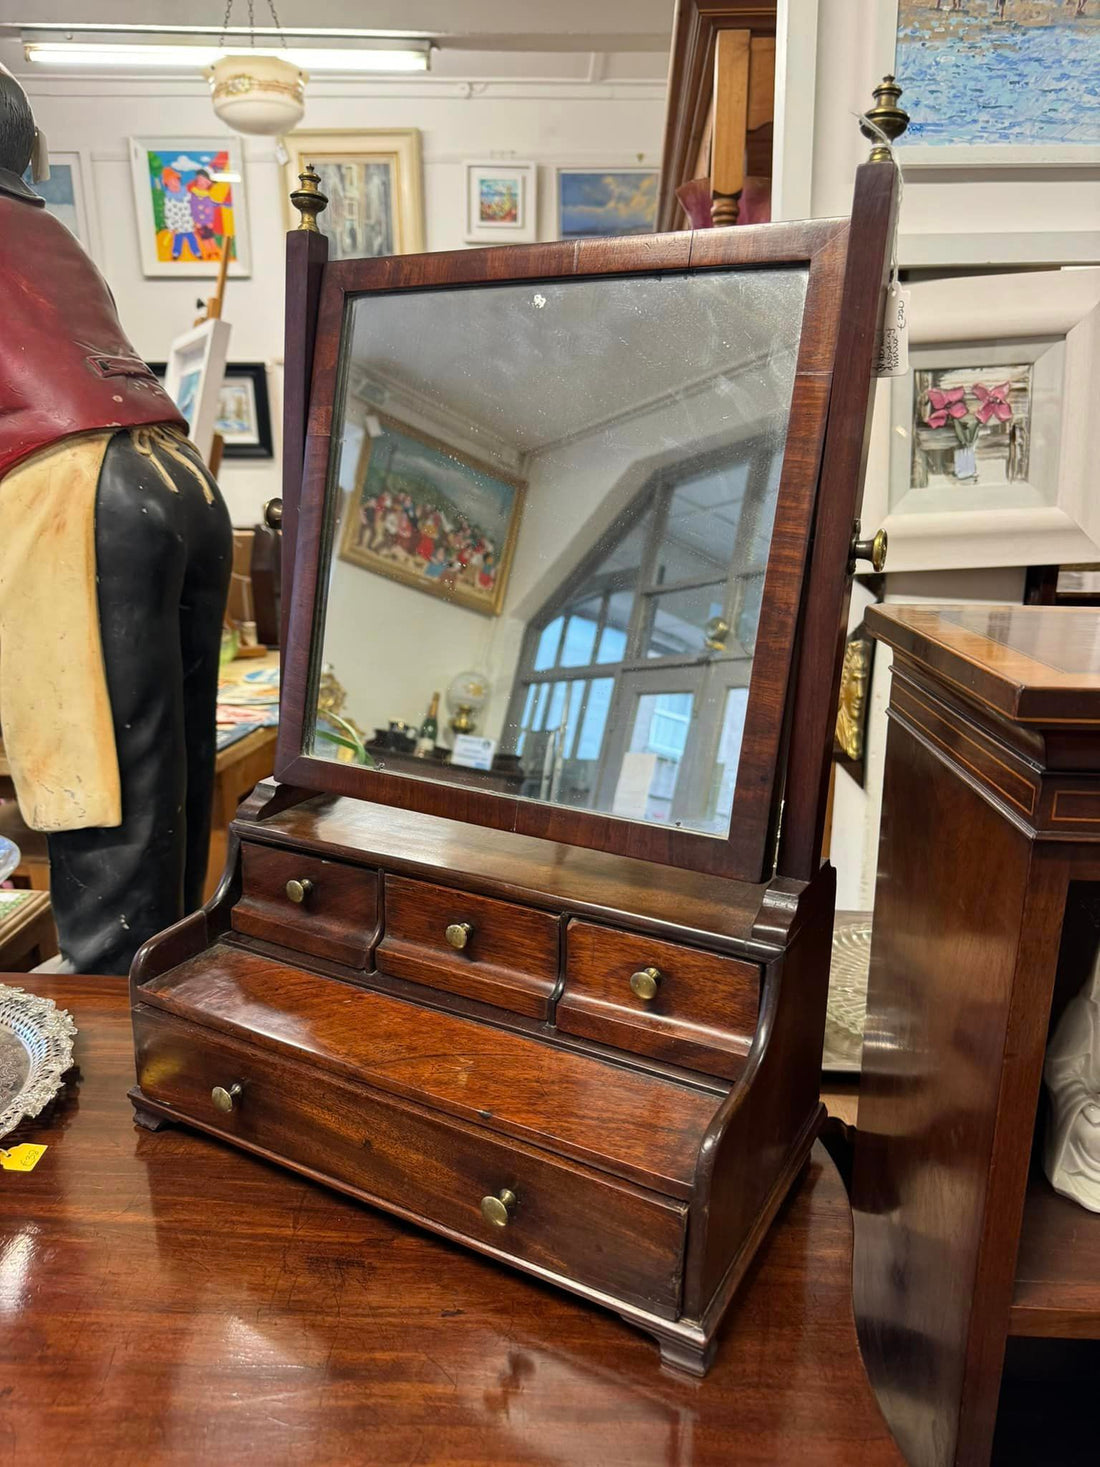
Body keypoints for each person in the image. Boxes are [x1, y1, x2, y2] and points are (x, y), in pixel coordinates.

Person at [0, 63, 232, 974]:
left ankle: (109, 1013)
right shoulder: (45, 229)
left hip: (72, 487)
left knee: (96, 788)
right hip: (175, 471)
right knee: (169, 786)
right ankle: (164, 985)